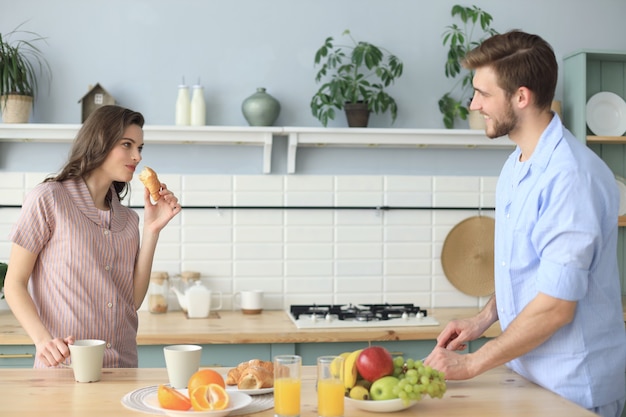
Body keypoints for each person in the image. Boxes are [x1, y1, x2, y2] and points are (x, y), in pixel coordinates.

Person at [424, 30, 626, 417]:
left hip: (573, 389)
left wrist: (470, 363)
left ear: (521, 96)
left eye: (483, 94)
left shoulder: (570, 177)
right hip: (529, 376)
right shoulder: (517, 165)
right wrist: (482, 319)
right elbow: (532, 271)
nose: (474, 104)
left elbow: (555, 307)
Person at [4, 105, 181, 368]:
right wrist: (43, 341)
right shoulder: (49, 199)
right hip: (64, 368)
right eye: (127, 145)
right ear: (100, 142)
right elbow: (14, 283)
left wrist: (151, 230)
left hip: (122, 366)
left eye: (140, 148)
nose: (137, 156)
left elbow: (131, 301)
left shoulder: (129, 220)